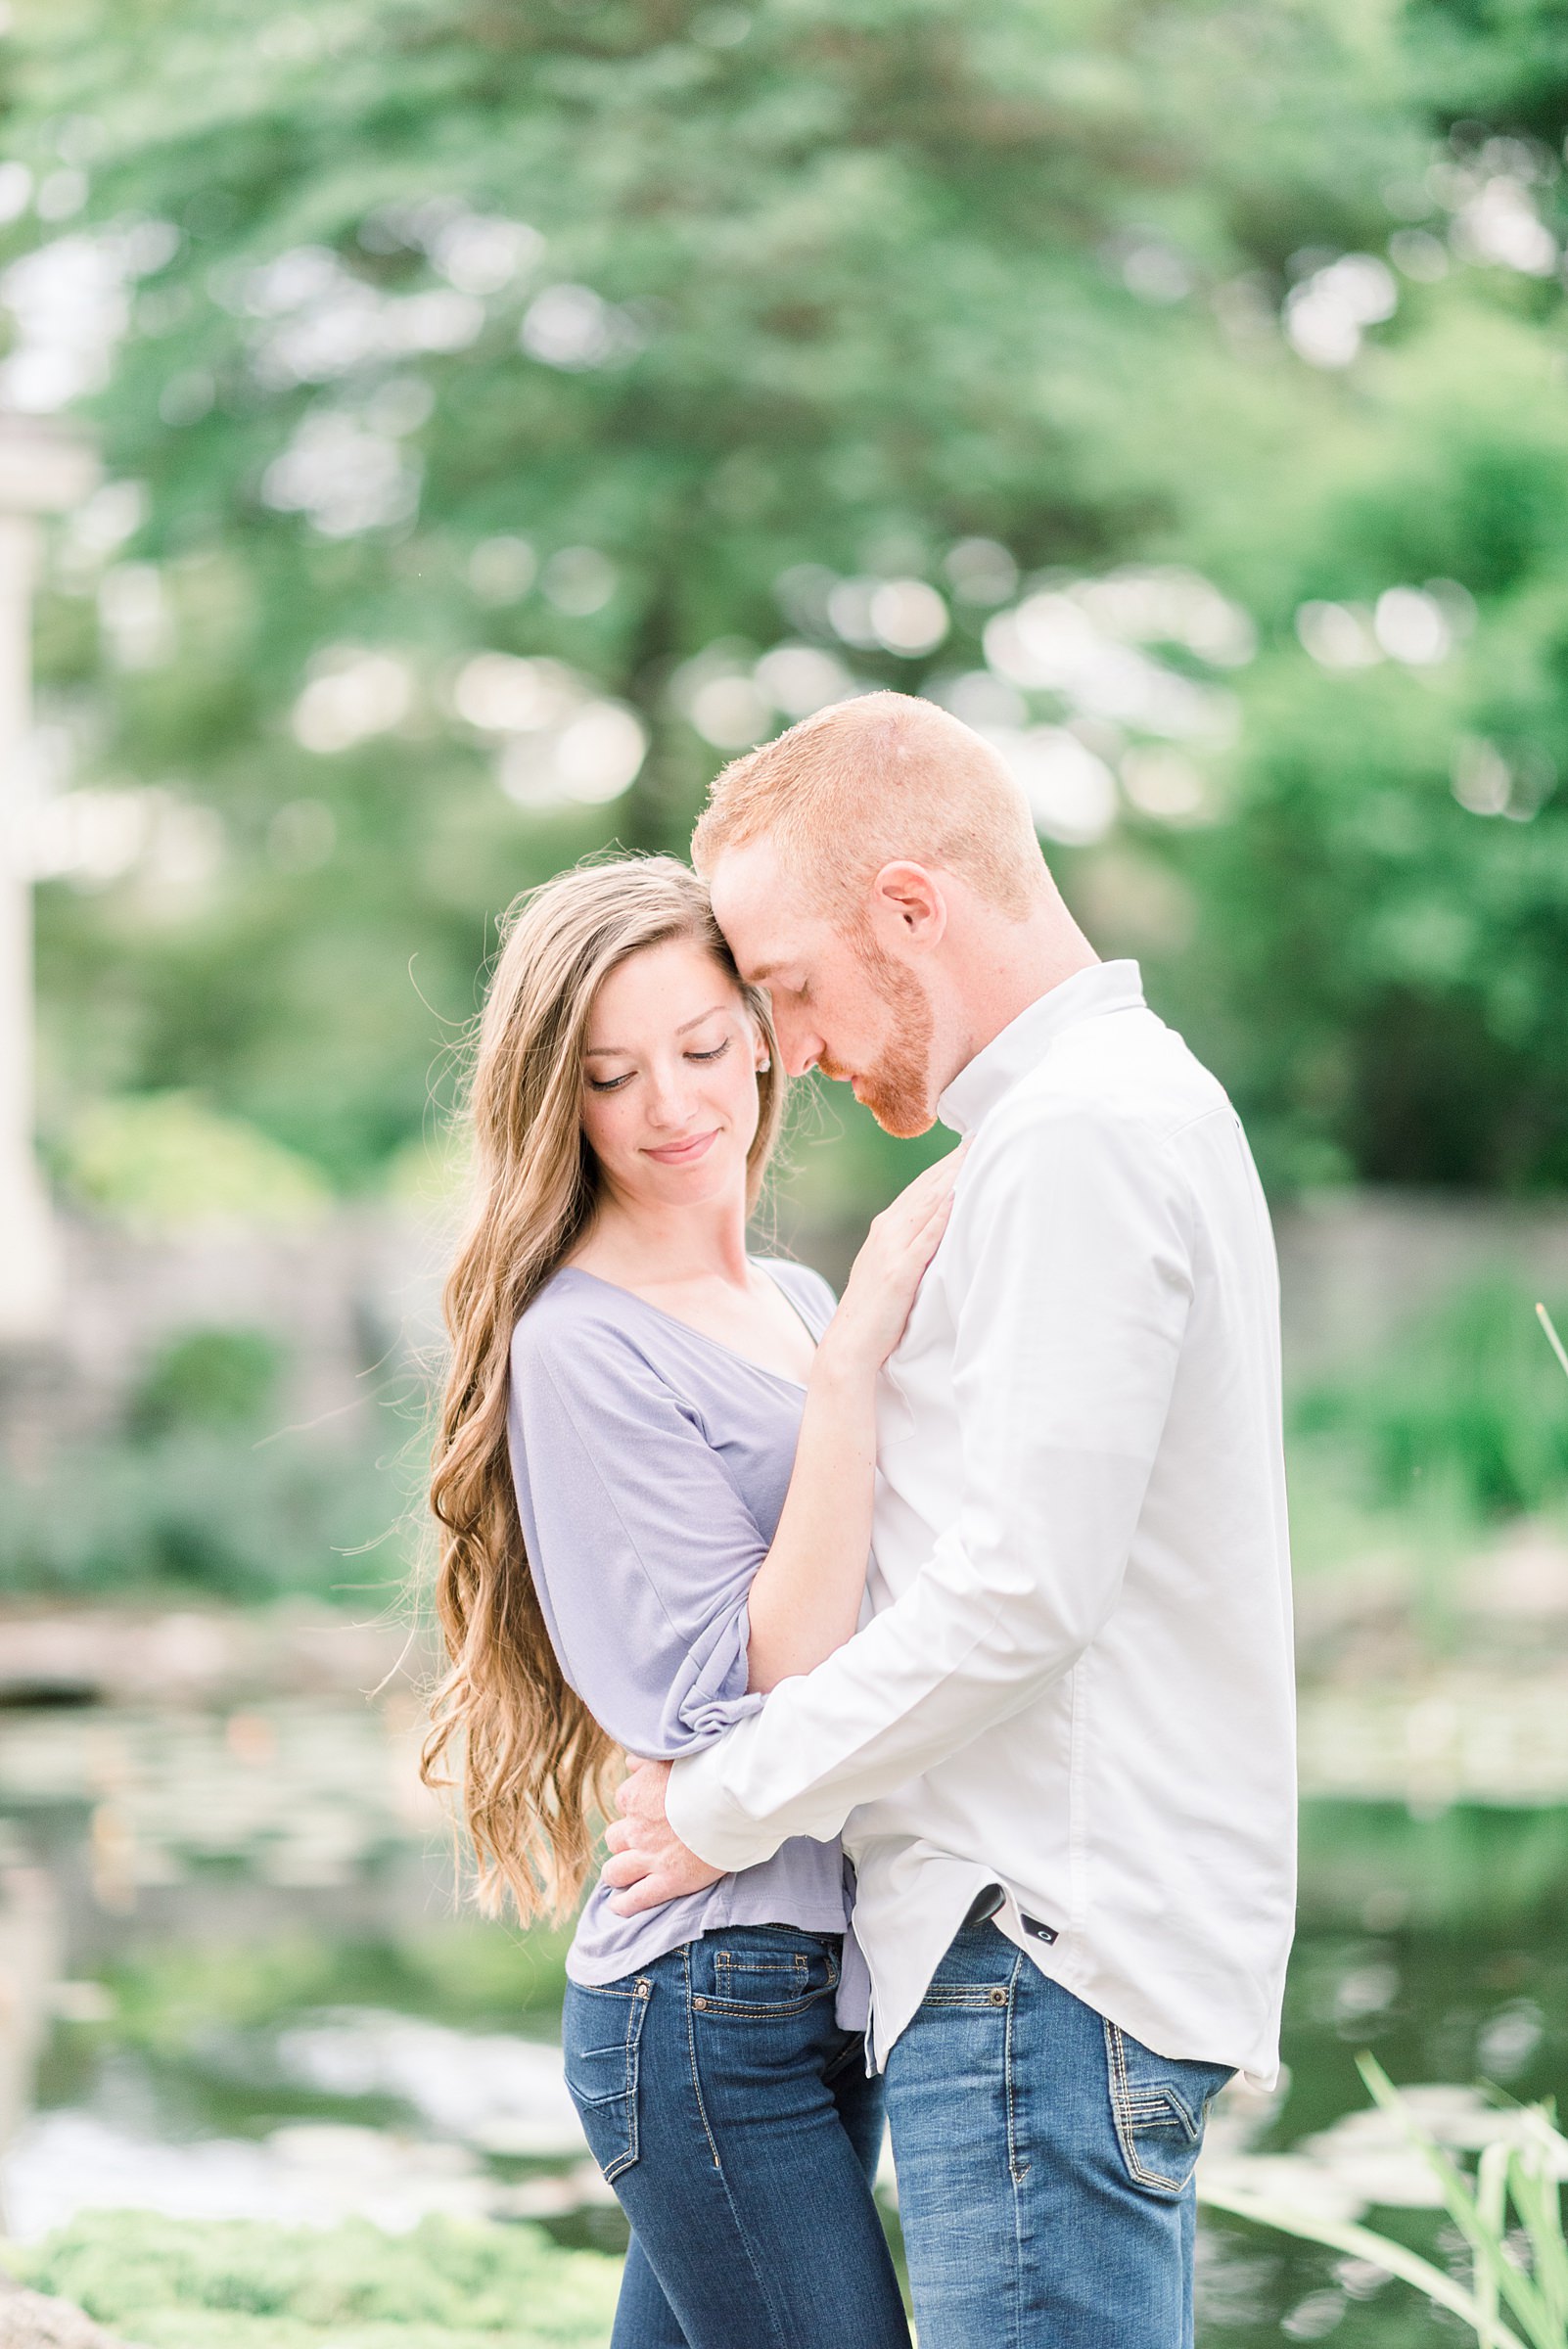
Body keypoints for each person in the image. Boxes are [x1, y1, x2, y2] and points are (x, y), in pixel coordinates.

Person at [603, 694, 1299, 2349]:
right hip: (1046, 1960)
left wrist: (724, 1799)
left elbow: (1014, 1597)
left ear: (912, 907)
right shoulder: (1112, 1117)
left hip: (1033, 1958)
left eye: (786, 985)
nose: (789, 1049)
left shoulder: (1083, 1140)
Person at [423, 854, 959, 2349]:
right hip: (710, 2006)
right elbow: (755, 1679)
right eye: (610, 1074)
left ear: (764, 1033)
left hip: (820, 1980)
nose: (672, 1106)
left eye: (704, 1047)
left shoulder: (784, 1301)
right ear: (557, 1101)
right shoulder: (583, 1345)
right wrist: (855, 1368)